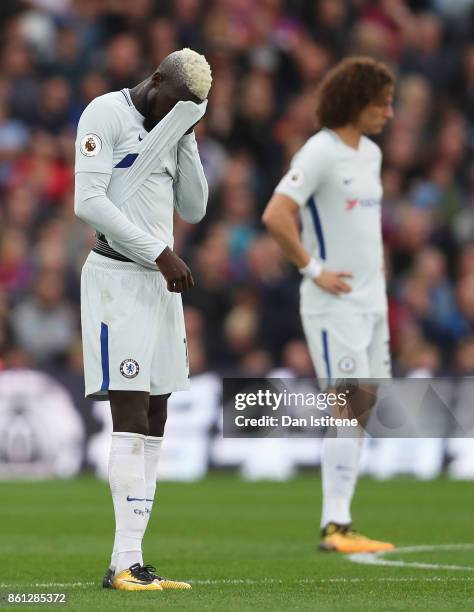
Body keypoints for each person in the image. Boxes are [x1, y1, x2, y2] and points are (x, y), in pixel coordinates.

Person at [74, 48, 212, 590]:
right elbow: (88, 201)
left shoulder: (176, 124)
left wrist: (186, 132)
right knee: (130, 412)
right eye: (176, 103)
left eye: (190, 109)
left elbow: (196, 208)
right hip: (118, 279)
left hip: (161, 284)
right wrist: (158, 252)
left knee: (156, 415)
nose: (177, 112)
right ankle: (123, 560)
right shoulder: (104, 114)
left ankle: (131, 561)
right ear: (156, 79)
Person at [262, 57, 395, 553]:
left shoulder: (372, 155)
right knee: (346, 404)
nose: (390, 112)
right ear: (356, 102)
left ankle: (342, 522)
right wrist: (313, 269)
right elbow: (276, 214)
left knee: (363, 405)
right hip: (331, 303)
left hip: (371, 302)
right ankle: (334, 525)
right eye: (382, 103)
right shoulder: (319, 151)